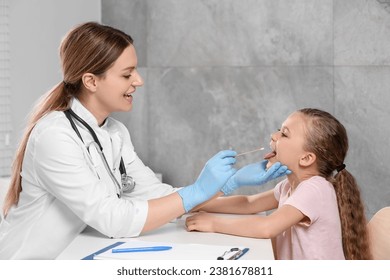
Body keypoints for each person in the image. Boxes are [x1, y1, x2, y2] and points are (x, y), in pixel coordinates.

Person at [0, 22, 288, 259]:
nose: (139, 81)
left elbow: (155, 194)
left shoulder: (114, 132)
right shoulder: (55, 136)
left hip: (74, 253)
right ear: (91, 81)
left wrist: (227, 184)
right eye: (127, 74)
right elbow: (113, 219)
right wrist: (198, 190)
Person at [186, 108, 372, 260]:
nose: (274, 135)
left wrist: (213, 223)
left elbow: (267, 227)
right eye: (279, 129)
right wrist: (195, 201)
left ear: (306, 158)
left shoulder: (316, 189)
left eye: (284, 134)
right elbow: (249, 204)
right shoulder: (289, 186)